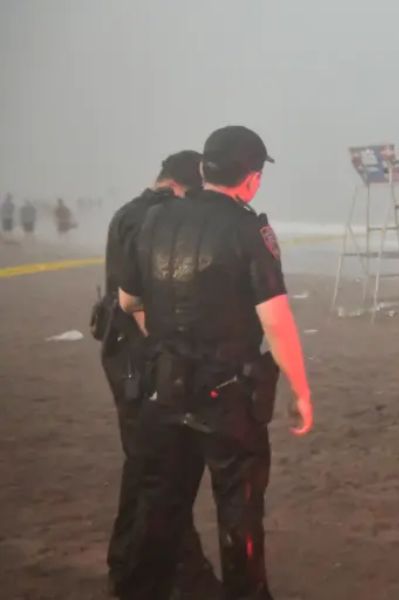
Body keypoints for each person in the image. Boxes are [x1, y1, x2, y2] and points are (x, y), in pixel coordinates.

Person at [117, 125, 313, 599]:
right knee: (239, 508)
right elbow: (276, 321)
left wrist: (169, 341)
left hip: (164, 390)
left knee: (162, 507)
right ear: (252, 177)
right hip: (227, 395)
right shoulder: (249, 229)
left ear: (204, 168)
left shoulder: (152, 221)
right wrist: (300, 391)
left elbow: (127, 301)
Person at [99, 150, 220, 597]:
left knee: (143, 467)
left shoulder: (127, 212)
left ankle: (125, 563)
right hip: (141, 359)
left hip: (125, 352)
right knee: (162, 472)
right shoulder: (154, 217)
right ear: (181, 187)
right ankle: (181, 575)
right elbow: (140, 301)